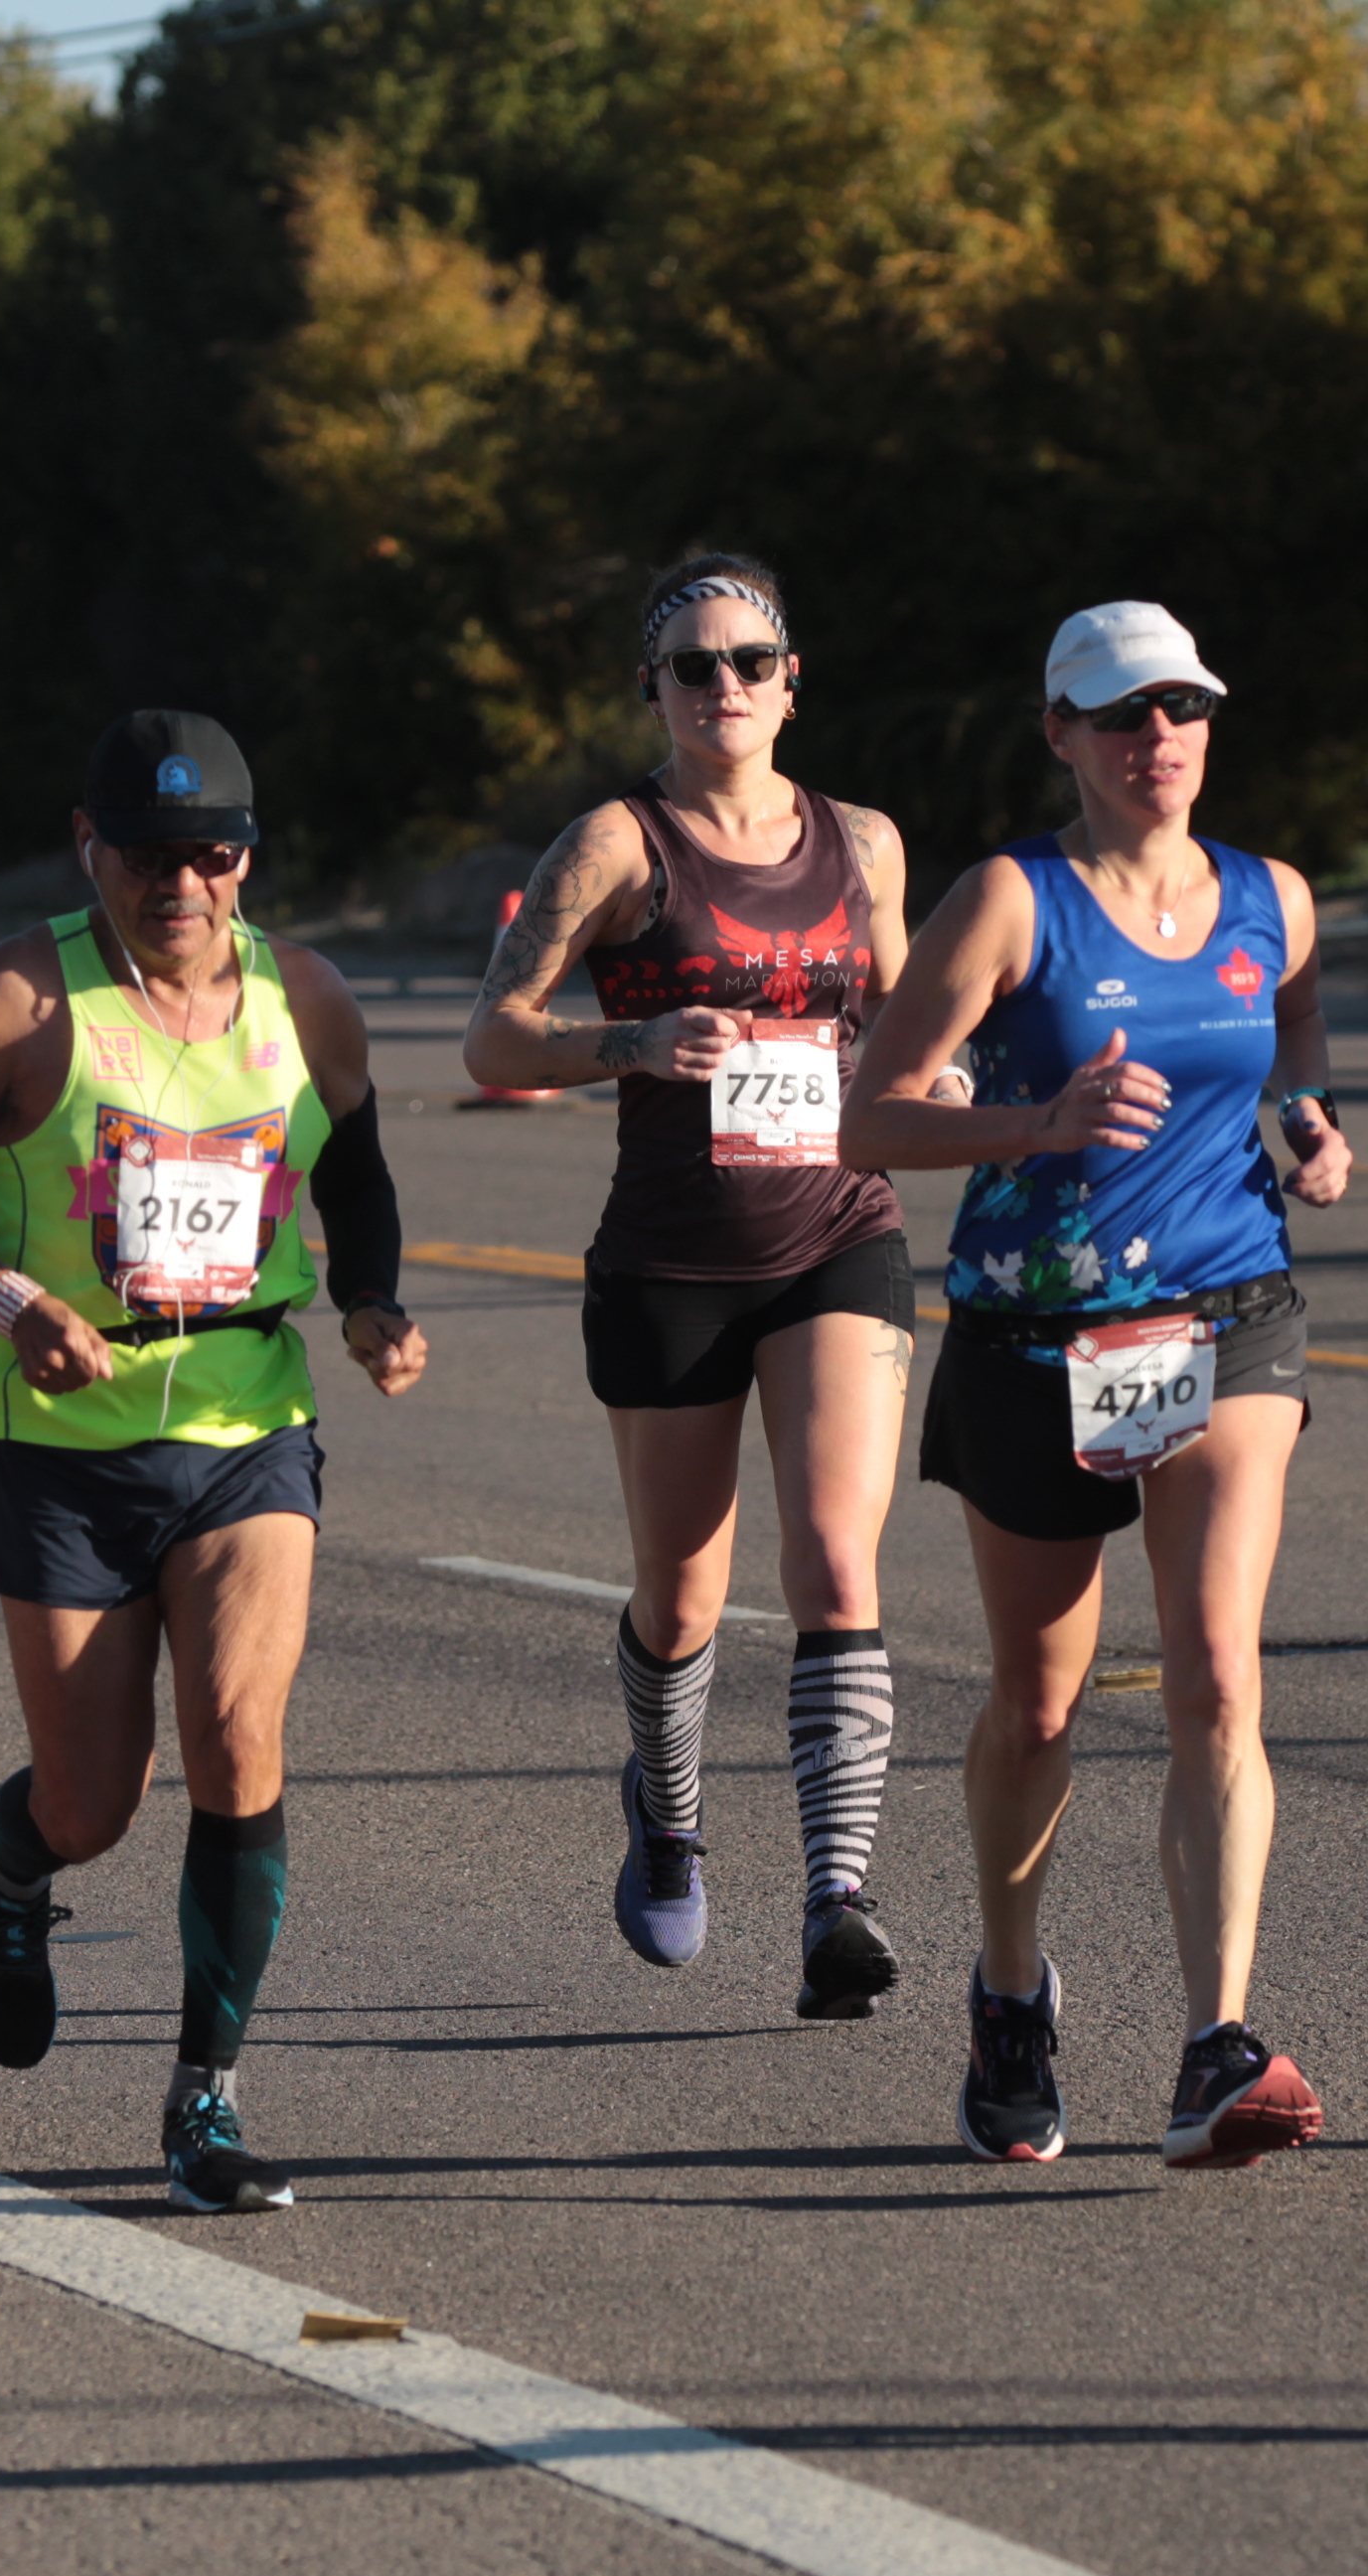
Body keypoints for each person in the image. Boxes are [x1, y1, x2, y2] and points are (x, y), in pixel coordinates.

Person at [0, 708, 426, 2214]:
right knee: (92, 1802)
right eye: (146, 855)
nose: (180, 884)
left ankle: (204, 2097)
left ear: (247, 856)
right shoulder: (23, 997)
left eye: (209, 854)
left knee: (238, 1734)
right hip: (59, 1443)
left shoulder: (305, 997)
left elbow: (357, 1169)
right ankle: (8, 1867)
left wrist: (372, 1300)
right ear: (87, 847)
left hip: (245, 1424)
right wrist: (8, 1302)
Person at [843, 601, 1352, 2170]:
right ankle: (1011, 1992)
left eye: (1182, 708)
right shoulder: (1012, 901)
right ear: (1061, 733)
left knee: (1216, 1676)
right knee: (1040, 1699)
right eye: (1124, 714)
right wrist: (1036, 1125)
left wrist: (1310, 1118)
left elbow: (1293, 1024)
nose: (1159, 739)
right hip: (1038, 1332)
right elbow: (872, 1120)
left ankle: (1216, 2043)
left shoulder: (1271, 896)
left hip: (1228, 1310)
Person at [458, 551, 916, 2018]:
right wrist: (634, 1047)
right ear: (652, 690)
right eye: (694, 665)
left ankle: (838, 1900)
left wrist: (943, 1076)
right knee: (682, 1595)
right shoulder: (615, 844)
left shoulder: (864, 842)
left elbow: (903, 1017)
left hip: (839, 1229)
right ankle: (667, 1807)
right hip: (672, 1255)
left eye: (751, 662)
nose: (726, 686)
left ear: (793, 683)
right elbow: (493, 1037)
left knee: (836, 1562)